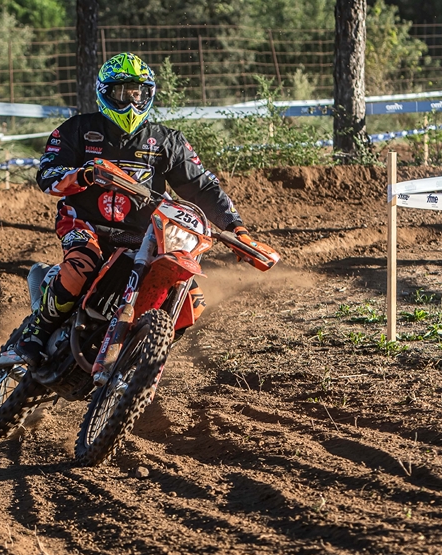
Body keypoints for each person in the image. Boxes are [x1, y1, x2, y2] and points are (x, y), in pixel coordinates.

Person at [15, 52, 266, 366]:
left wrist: (235, 227)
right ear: (105, 93)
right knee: (81, 266)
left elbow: (202, 186)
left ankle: (137, 359)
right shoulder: (77, 129)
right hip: (86, 224)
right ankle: (36, 331)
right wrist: (83, 174)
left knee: (191, 301)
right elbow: (48, 175)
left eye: (138, 93)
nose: (131, 101)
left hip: (146, 235)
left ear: (149, 94)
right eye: (122, 92)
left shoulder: (166, 141)